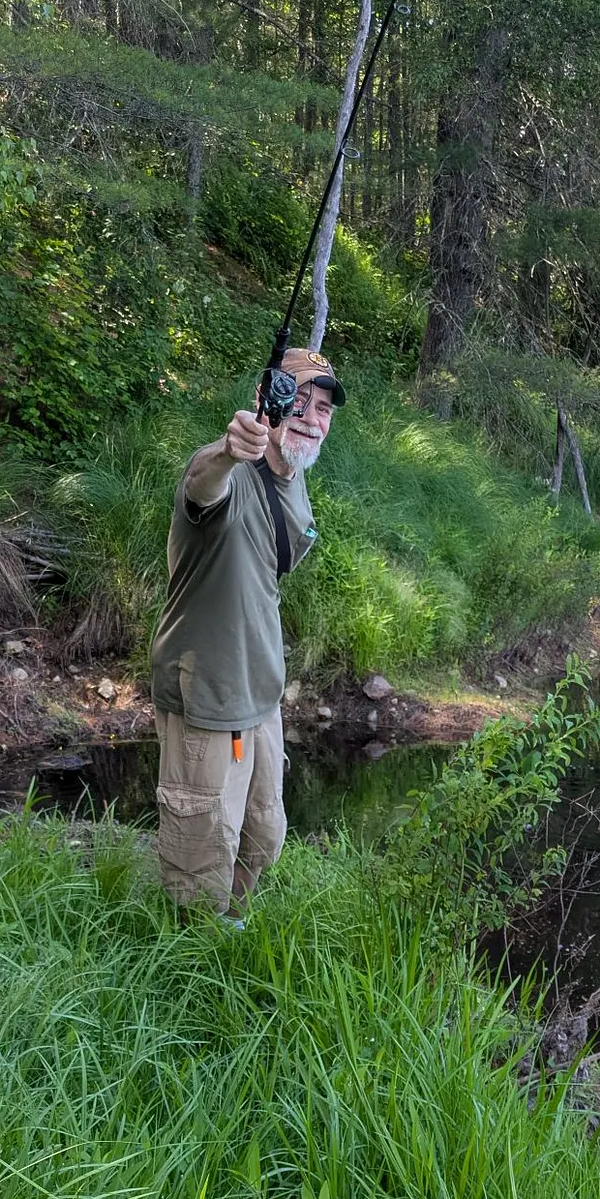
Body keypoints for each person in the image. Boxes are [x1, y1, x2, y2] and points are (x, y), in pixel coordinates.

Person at [148, 347, 343, 914]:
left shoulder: (294, 478)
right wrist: (230, 449)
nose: (311, 415)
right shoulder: (230, 472)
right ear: (268, 401)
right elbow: (201, 484)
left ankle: (229, 931)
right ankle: (189, 961)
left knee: (263, 836)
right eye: (299, 399)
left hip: (261, 698)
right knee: (200, 854)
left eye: (324, 407)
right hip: (208, 694)